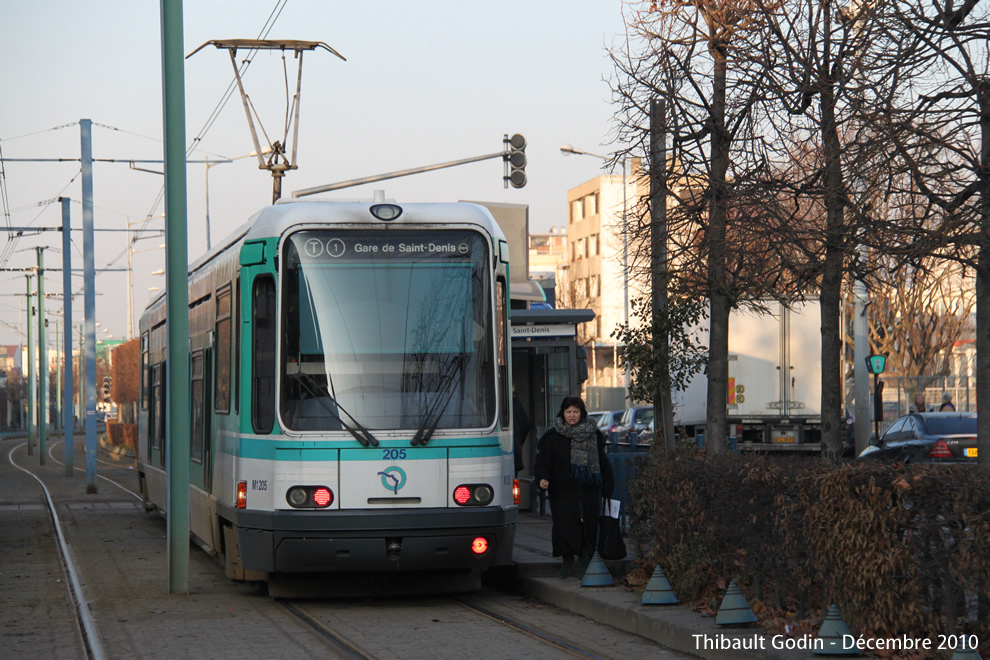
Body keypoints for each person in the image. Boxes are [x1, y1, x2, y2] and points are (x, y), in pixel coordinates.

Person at [535, 396, 614, 580]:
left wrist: (608, 486)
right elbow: (543, 462)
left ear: (582, 413)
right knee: (564, 525)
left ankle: (584, 560)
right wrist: (542, 478)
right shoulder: (553, 436)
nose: (572, 416)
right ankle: (567, 559)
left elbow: (603, 463)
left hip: (588, 489)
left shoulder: (593, 435)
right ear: (562, 413)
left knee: (588, 524)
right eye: (568, 412)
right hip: (561, 490)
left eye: (576, 412)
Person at [512, 394, 532, 475]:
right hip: (514, 454)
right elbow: (526, 424)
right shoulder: (515, 403)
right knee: (513, 484)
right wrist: (517, 442)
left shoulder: (487, 402)